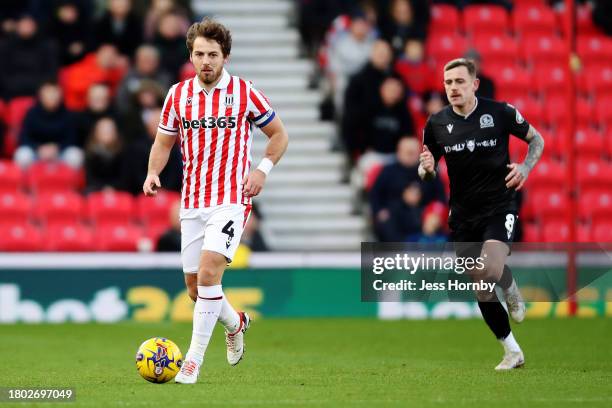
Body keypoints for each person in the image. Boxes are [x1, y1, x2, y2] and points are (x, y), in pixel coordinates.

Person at [142, 17, 289, 384]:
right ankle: (235, 322)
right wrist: (152, 173)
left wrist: (261, 170)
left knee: (209, 273)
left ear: (226, 56)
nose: (205, 61)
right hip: (192, 202)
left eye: (213, 54)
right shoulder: (177, 94)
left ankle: (191, 363)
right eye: (199, 54)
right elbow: (163, 142)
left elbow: (279, 135)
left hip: (230, 200)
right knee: (196, 289)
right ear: (190, 56)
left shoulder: (244, 92)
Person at [419, 58, 545, 370]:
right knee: (480, 283)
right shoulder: (435, 124)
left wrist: (525, 168)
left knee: (488, 268)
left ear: (474, 84)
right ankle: (512, 351)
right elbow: (426, 171)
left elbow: (536, 140)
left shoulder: (500, 112)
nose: (453, 88)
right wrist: (427, 169)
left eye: (459, 82)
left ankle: (508, 281)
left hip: (498, 206)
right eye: (448, 83)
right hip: (462, 214)